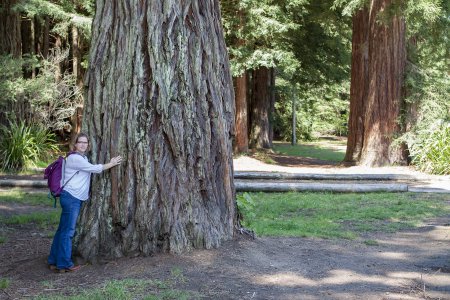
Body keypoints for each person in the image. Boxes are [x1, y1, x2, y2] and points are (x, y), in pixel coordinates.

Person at [47, 132, 122, 272]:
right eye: (80, 142)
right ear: (75, 144)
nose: (83, 144)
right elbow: (95, 169)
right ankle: (63, 264)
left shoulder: (82, 157)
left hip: (71, 197)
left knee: (62, 230)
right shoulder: (75, 158)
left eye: (85, 142)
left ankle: (53, 260)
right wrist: (111, 163)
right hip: (71, 198)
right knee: (68, 231)